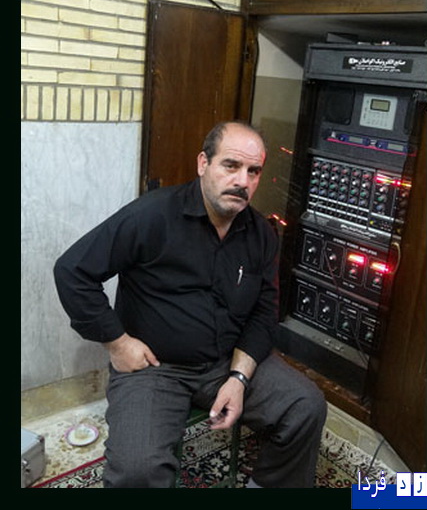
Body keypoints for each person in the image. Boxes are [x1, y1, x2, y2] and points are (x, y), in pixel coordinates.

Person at [54, 121, 327, 488]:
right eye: (231, 165)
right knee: (137, 470)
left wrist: (239, 378)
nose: (242, 181)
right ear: (203, 163)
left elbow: (265, 312)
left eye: (253, 171)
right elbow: (72, 271)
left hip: (229, 360)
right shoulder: (151, 215)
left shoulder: (261, 233)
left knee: (306, 406)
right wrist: (117, 343)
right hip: (155, 368)